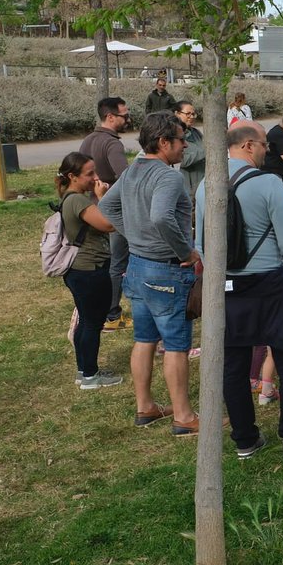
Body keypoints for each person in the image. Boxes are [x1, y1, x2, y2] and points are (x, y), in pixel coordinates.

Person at [196, 120, 283, 463]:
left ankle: (245, 439)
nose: (265, 151)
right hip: (269, 283)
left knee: (234, 364)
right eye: (263, 145)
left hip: (226, 287)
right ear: (247, 146)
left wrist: (218, 276)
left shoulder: (204, 186)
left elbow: (200, 243)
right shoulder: (269, 183)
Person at [98, 111, 199, 437]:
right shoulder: (168, 177)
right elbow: (160, 218)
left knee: (144, 338)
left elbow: (107, 207)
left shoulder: (132, 172)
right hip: (166, 271)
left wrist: (134, 237)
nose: (186, 145)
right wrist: (186, 252)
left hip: (137, 267)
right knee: (175, 344)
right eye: (181, 140)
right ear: (163, 142)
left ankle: (145, 406)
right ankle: (183, 416)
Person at [55, 152, 120, 389]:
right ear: (72, 176)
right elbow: (108, 224)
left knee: (86, 321)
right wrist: (102, 197)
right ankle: (91, 376)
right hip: (90, 270)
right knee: (92, 323)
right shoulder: (78, 201)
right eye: (89, 173)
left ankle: (84, 370)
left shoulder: (70, 198)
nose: (95, 177)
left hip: (79, 270)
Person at [79, 97, 131, 330]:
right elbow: (126, 177)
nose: (127, 119)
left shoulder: (88, 140)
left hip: (89, 209)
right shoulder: (113, 144)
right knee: (117, 263)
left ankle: (100, 308)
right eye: (124, 115)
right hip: (111, 210)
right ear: (111, 117)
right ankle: (112, 314)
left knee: (103, 262)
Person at [173, 101, 204, 204]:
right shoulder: (173, 135)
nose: (192, 117)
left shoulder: (196, 133)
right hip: (188, 192)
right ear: (177, 114)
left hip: (202, 186)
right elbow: (183, 160)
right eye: (188, 114)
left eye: (193, 114)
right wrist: (207, 151)